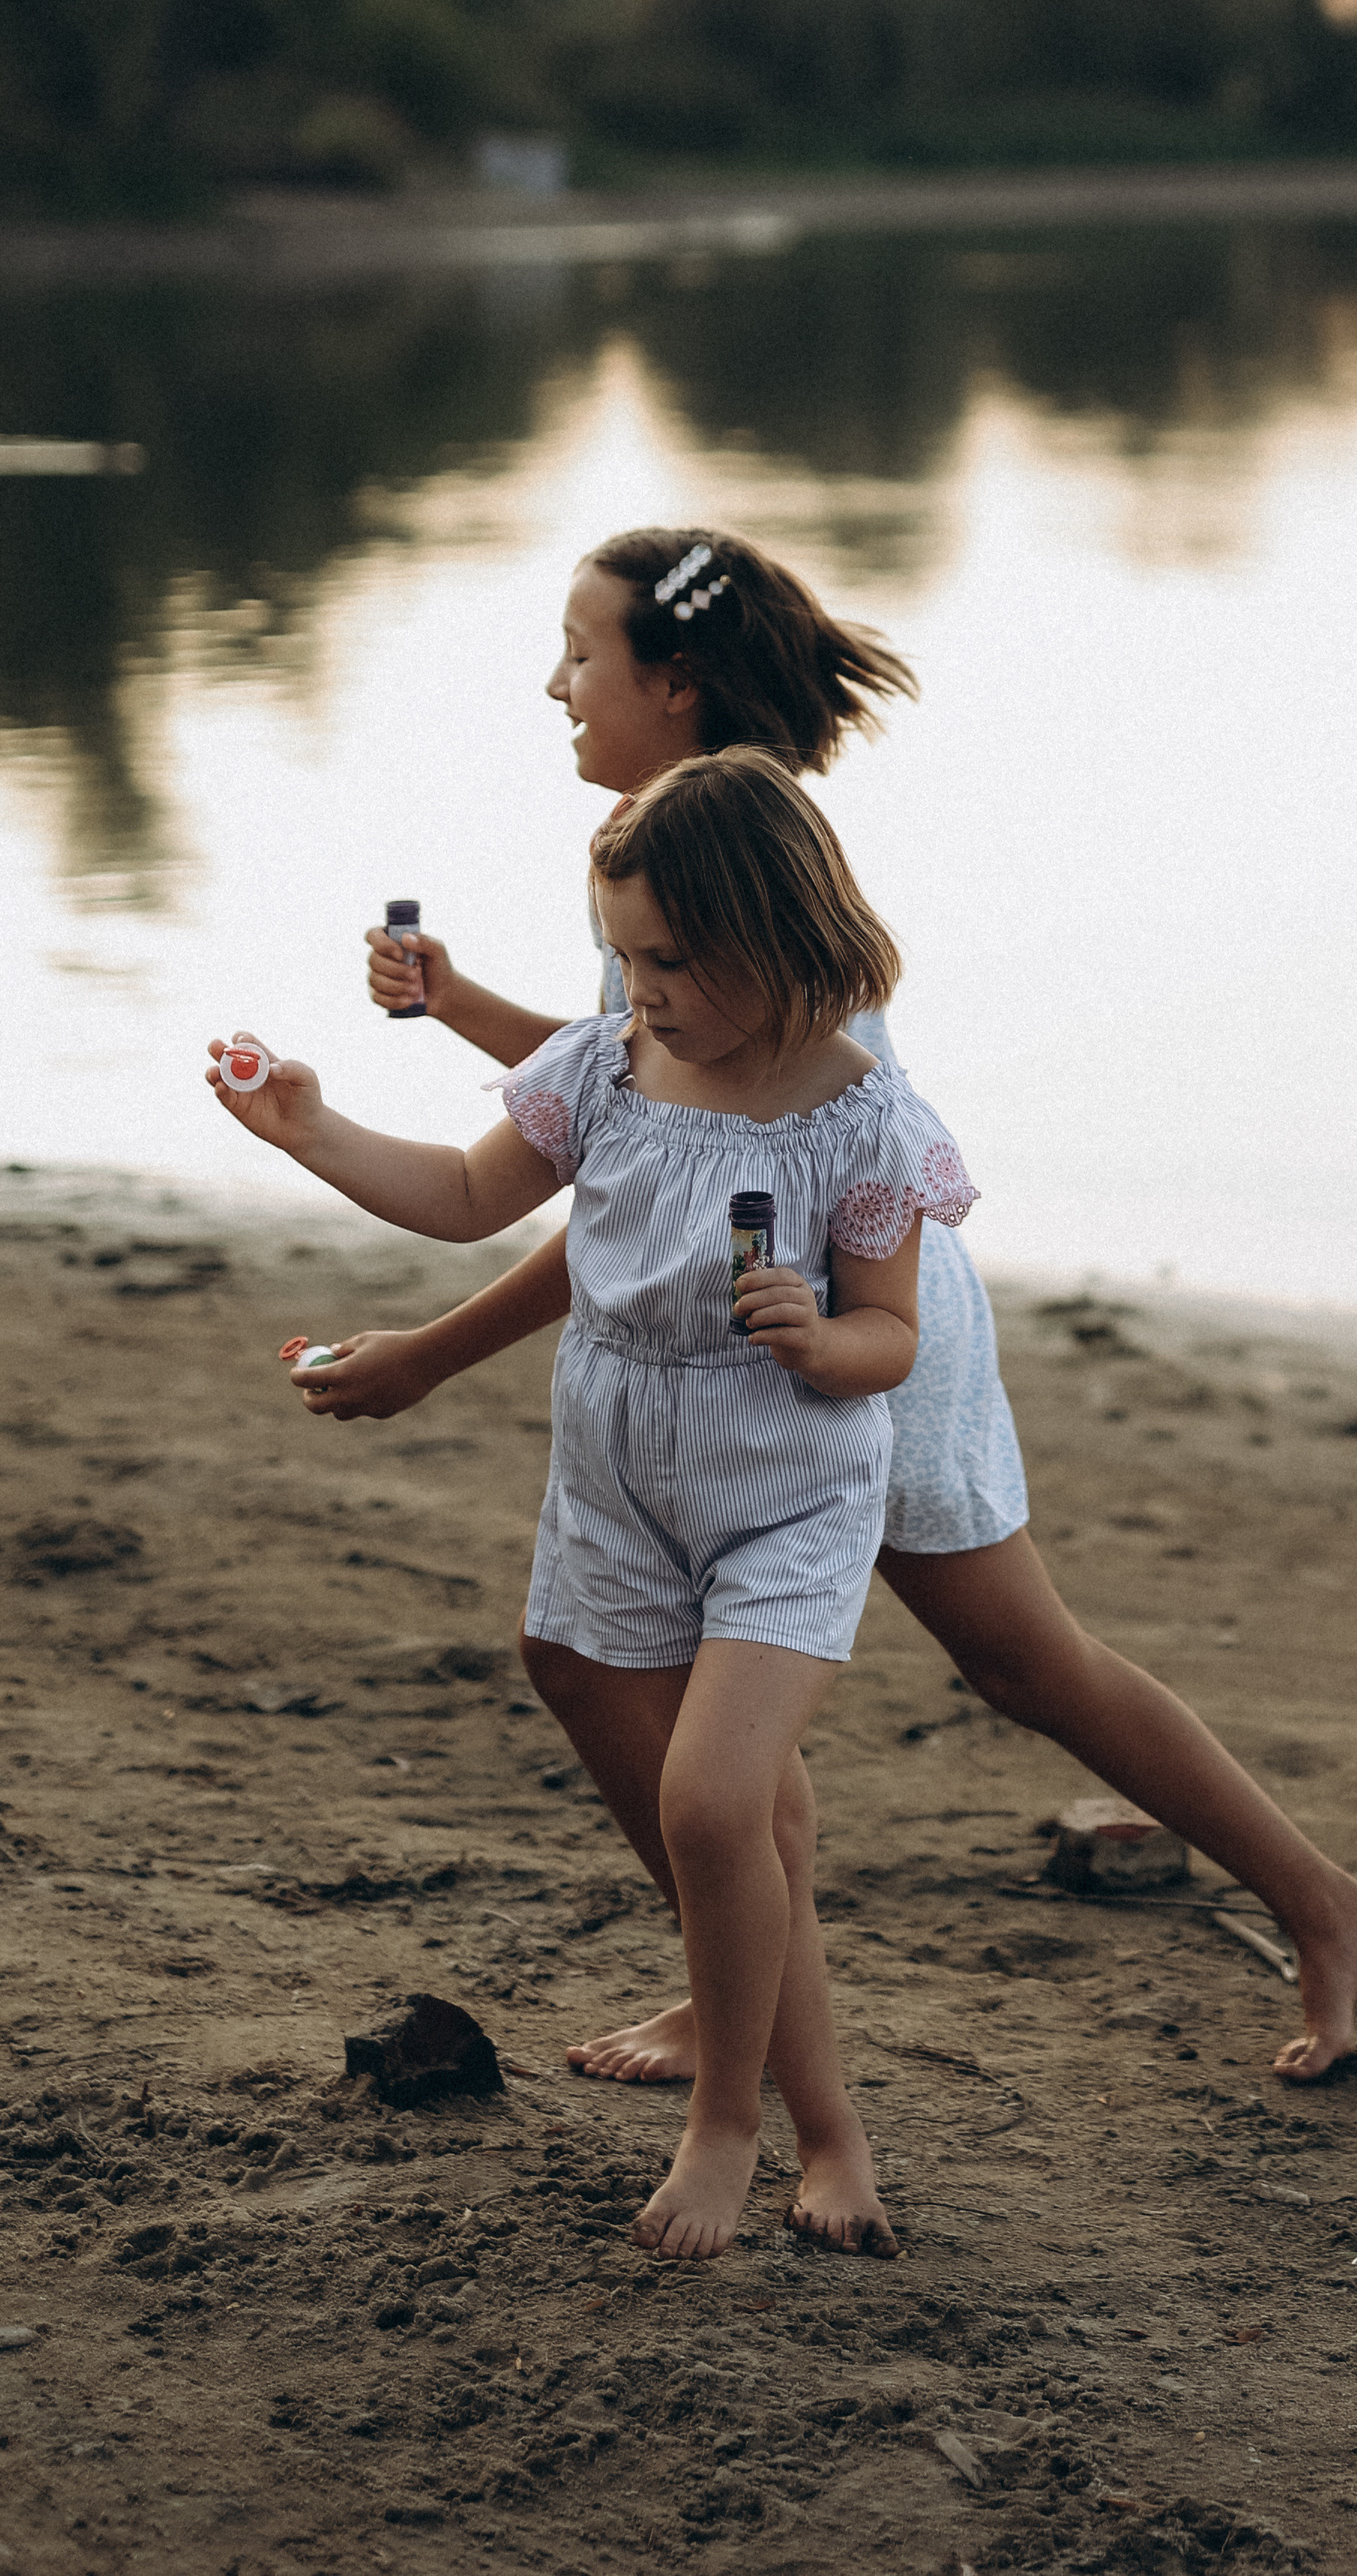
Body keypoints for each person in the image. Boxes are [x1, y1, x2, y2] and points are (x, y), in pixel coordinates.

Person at [306, 527, 1357, 2082]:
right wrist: (460, 1003)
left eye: (581, 651)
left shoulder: (749, 876)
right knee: (818, 1677)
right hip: (766, 1323)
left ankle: (1322, 1903)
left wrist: (431, 1352)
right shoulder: (668, 856)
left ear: (675, 681)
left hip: (853, 1329)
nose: (555, 683)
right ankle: (756, 1984)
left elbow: (666, 1181)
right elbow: (642, 1092)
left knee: (1010, 1660)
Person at [207, 741, 986, 2259]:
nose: (643, 989)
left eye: (673, 960)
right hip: (618, 1478)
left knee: (714, 1802)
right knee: (728, 1810)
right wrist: (311, 1129)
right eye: (627, 956)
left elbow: (894, 1334)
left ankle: (730, 2125)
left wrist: (821, 1338)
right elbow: (463, 1197)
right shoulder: (603, 1069)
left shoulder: (865, 1120)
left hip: (786, 1494)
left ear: (780, 931)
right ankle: (834, 2126)